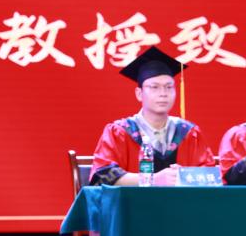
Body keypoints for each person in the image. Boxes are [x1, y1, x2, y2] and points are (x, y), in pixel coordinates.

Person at [89, 47, 215, 186]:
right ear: (139, 93)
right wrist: (153, 180)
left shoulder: (189, 133)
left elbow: (210, 176)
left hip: (181, 200)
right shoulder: (120, 132)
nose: (163, 93)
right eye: (154, 87)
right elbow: (102, 177)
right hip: (132, 200)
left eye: (169, 87)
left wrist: (185, 176)